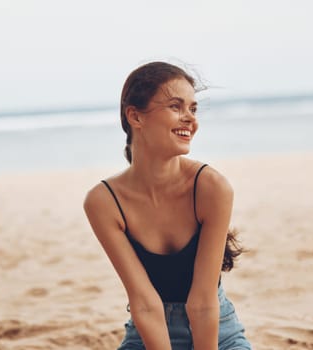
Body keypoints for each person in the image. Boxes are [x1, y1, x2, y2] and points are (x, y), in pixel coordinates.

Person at [83, 61, 251, 350]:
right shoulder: (104, 202)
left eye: (193, 109)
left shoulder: (211, 188)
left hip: (218, 333)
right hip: (146, 337)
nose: (190, 119)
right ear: (135, 116)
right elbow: (145, 304)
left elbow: (203, 303)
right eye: (176, 107)